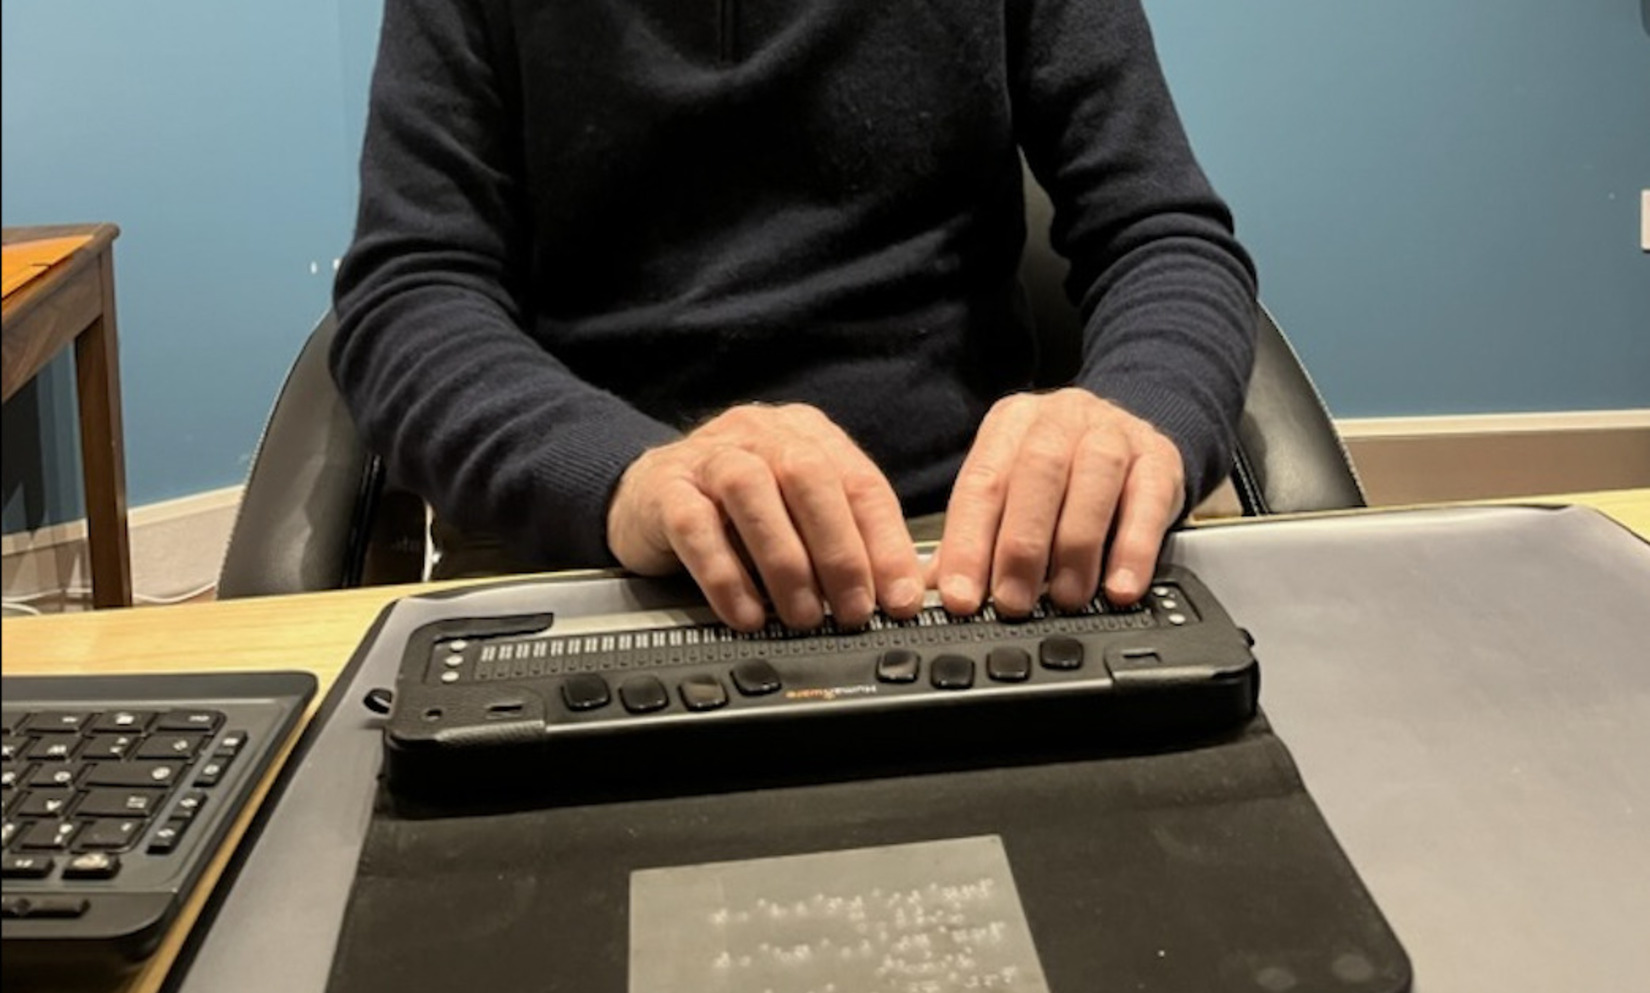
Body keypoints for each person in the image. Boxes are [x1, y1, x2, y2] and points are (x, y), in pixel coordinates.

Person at [332, 0, 1257, 632]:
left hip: (967, 556)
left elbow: (1160, 233)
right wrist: (628, 481)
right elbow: (411, 297)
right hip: (611, 559)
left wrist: (1136, 410)